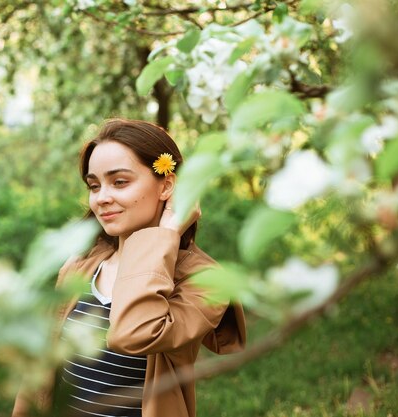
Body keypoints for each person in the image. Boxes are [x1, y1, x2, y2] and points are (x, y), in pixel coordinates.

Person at [12, 118, 246, 417]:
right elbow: (39, 372)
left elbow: (132, 334)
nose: (102, 198)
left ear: (168, 184)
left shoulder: (204, 282)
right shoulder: (81, 265)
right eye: (94, 186)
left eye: (120, 182)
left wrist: (168, 232)